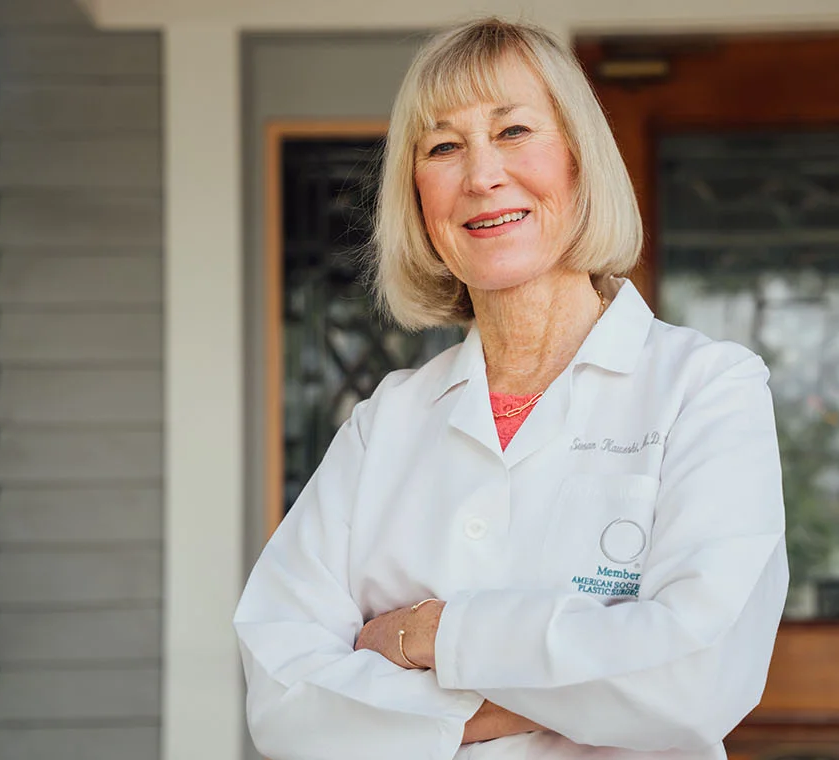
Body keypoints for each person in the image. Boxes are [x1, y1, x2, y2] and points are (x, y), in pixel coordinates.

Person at [234, 17, 789, 760]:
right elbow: (285, 698)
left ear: (579, 161)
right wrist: (576, 685)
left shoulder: (706, 387)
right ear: (419, 198)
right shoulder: (387, 421)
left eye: (515, 130)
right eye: (443, 147)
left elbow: (696, 675)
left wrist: (428, 636)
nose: (481, 174)